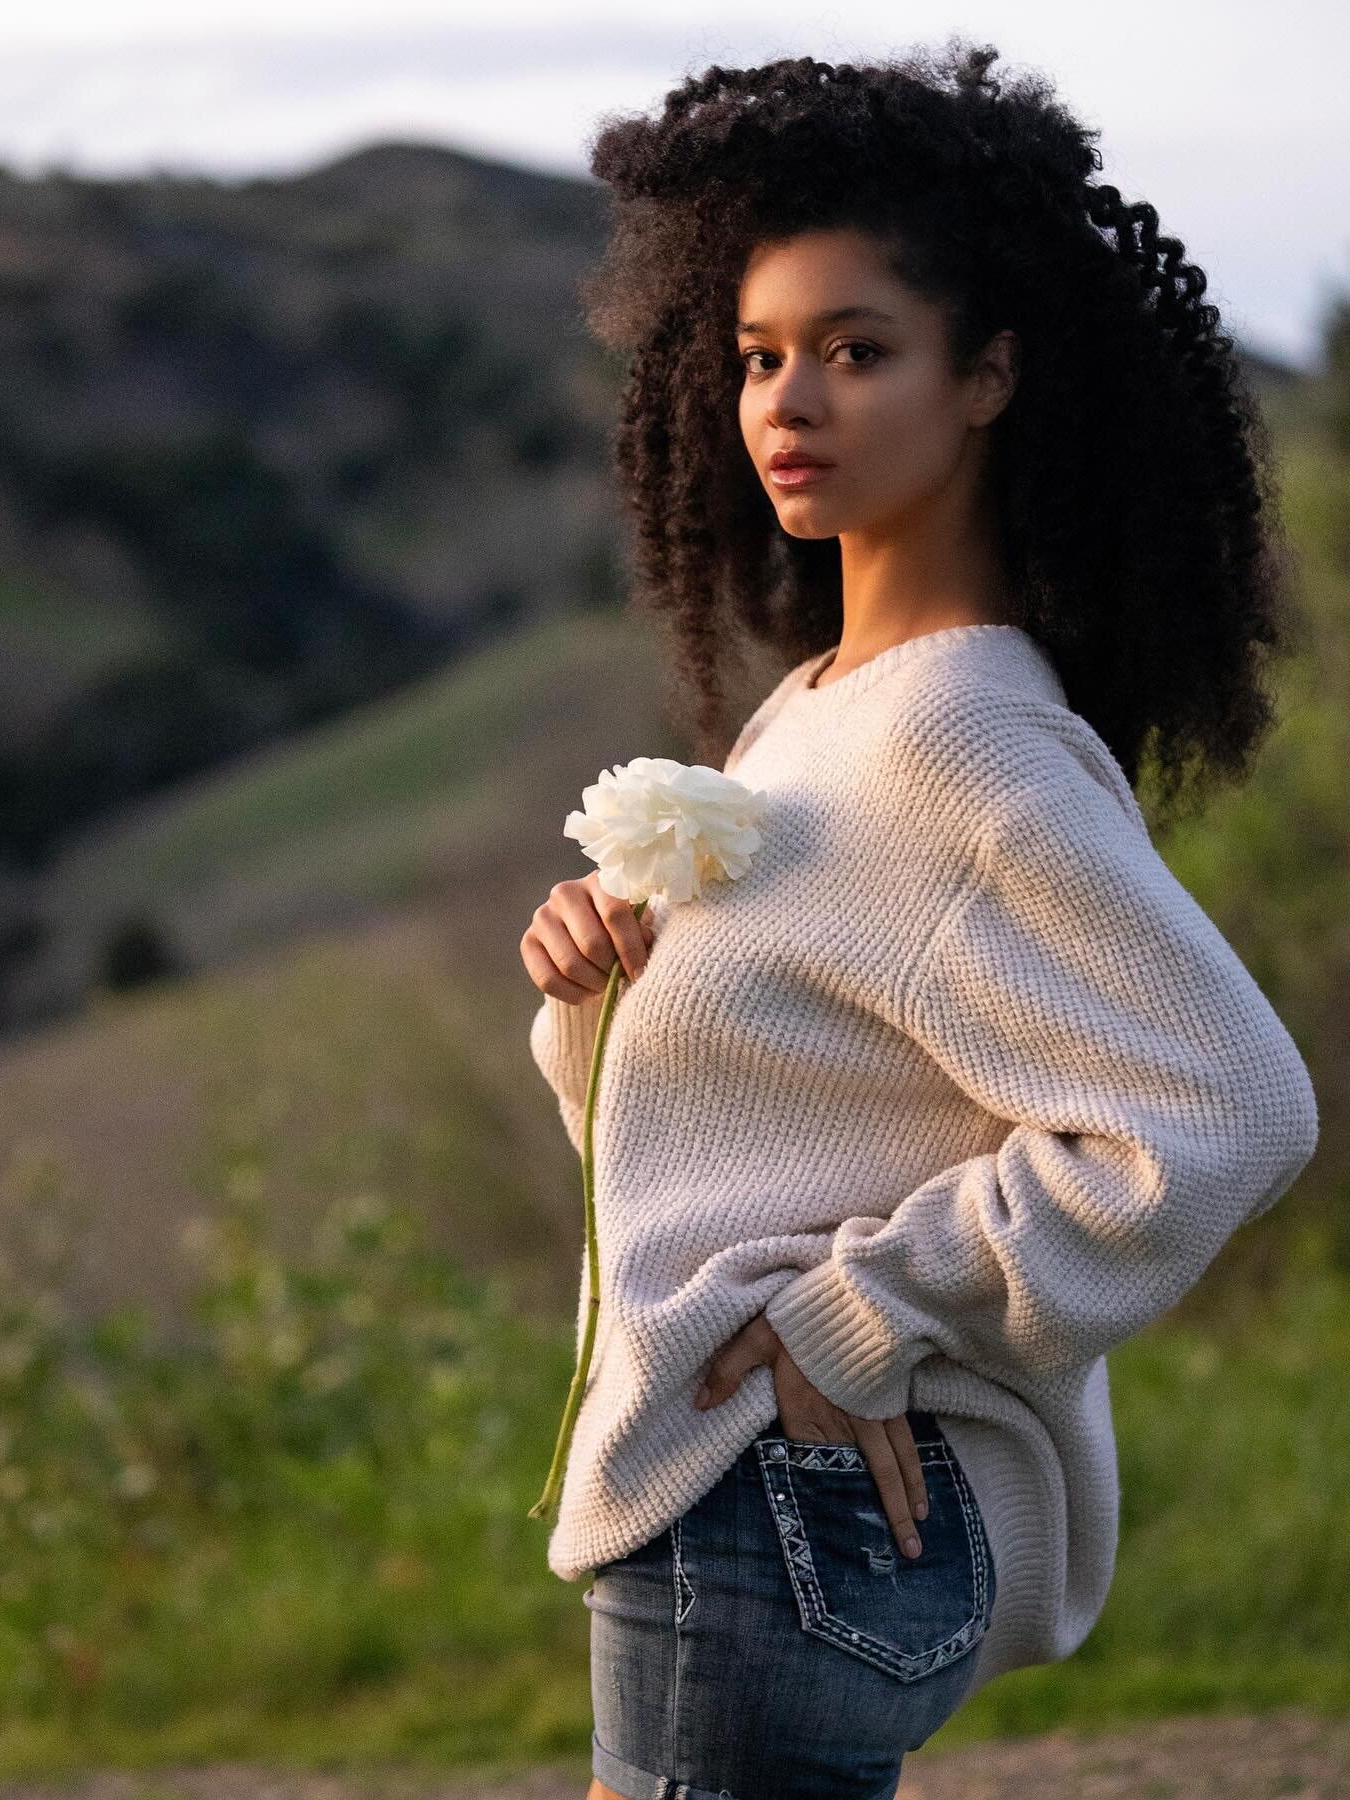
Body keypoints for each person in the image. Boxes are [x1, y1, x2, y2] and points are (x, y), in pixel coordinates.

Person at [519, 38, 1319, 1800]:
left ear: (991, 379)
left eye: (857, 351)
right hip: (740, 1498)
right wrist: (606, 988)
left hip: (774, 1501)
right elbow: (727, 1127)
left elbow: (1229, 1107)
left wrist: (863, 1314)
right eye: (759, 356)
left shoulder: (962, 732)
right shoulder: (819, 704)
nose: (787, 403)